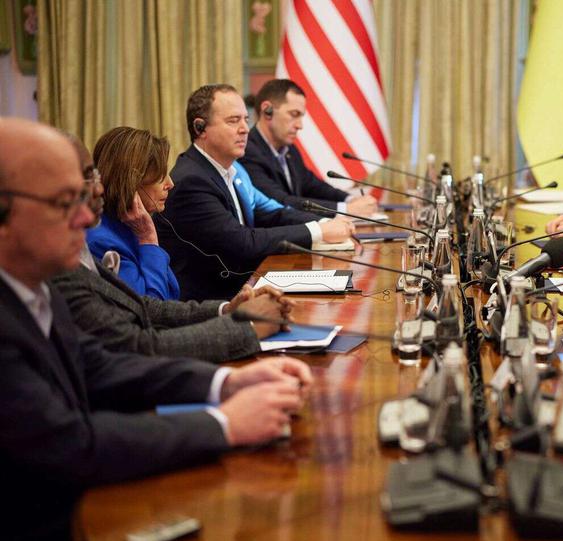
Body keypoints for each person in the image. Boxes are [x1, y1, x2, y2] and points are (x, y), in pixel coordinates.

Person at [0, 117, 312, 541]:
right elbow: (70, 444)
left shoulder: (37, 286)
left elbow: (103, 365)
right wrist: (225, 424)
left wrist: (224, 384)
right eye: (65, 201)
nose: (88, 216)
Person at [53, 136, 291, 363]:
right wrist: (245, 326)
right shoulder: (99, 241)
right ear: (132, 183)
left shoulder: (125, 229)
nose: (171, 183)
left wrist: (227, 309)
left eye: (94, 176)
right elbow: (143, 328)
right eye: (87, 180)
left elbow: (147, 308)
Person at [157, 83, 355, 300]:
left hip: (243, 288)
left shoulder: (230, 171)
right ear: (200, 128)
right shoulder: (191, 181)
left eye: (246, 120)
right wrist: (318, 231)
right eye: (233, 121)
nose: (244, 129)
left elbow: (271, 214)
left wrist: (327, 224)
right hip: (211, 305)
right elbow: (242, 242)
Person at [240, 78, 378, 217]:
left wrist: (350, 199)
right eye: (294, 114)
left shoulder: (290, 150)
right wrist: (346, 209)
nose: (300, 125)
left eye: (301, 116)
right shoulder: (247, 151)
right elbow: (280, 202)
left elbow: (313, 185)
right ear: (267, 110)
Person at [86, 126, 180, 300]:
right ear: (132, 182)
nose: (170, 183)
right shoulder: (102, 243)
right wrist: (148, 240)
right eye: (161, 176)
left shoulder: (132, 225)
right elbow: (151, 311)